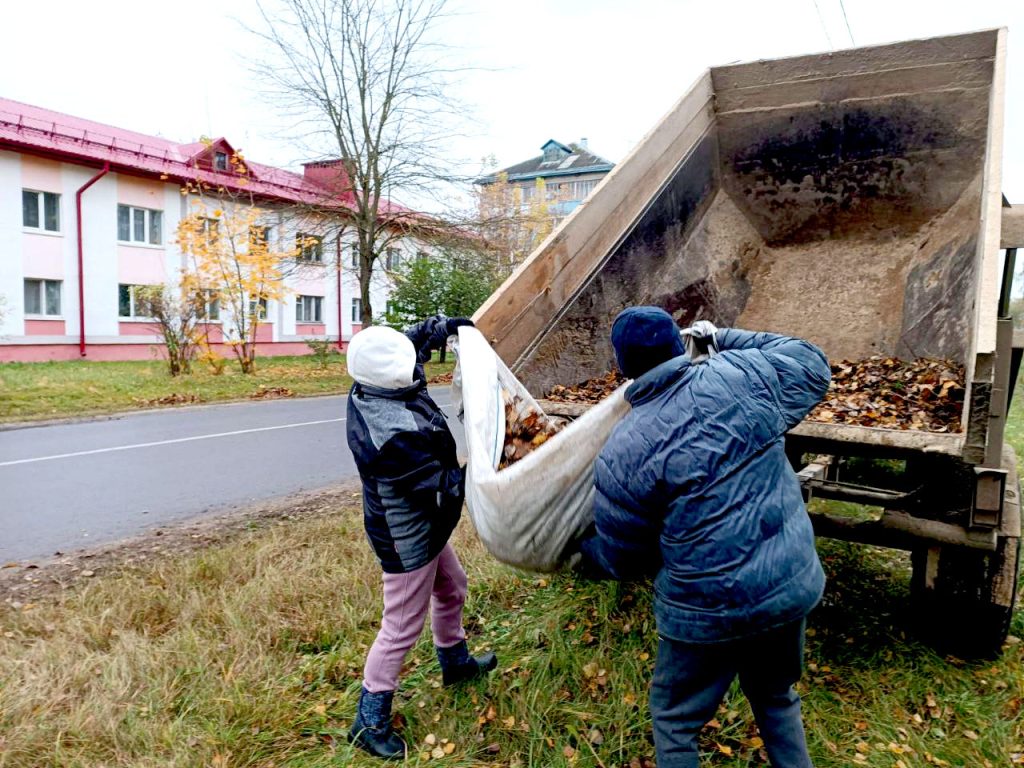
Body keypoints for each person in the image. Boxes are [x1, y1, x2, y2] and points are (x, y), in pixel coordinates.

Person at [574, 307, 831, 768]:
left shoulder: (623, 448)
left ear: (623, 366)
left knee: (676, 720)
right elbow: (810, 362)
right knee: (776, 696)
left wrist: (582, 555)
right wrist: (723, 337)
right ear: (679, 343)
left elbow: (623, 558)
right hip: (787, 586)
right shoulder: (743, 376)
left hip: (706, 610)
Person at [345, 316, 495, 760]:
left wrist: (444, 327)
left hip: (425, 524)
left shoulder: (378, 379)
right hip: (407, 538)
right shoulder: (390, 435)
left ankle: (455, 662)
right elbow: (443, 486)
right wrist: (490, 464)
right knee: (399, 627)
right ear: (390, 380)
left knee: (452, 587)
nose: (415, 369)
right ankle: (369, 719)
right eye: (407, 369)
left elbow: (409, 343)